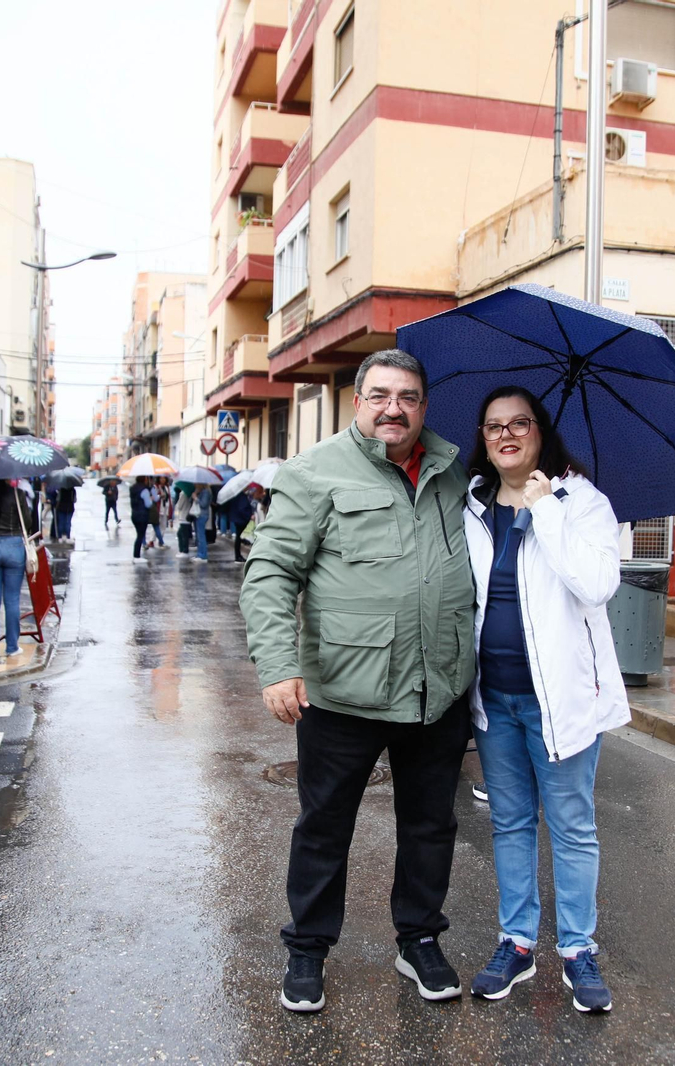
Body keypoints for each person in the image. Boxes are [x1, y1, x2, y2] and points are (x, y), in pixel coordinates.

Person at [240, 349, 476, 1014]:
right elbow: (270, 573)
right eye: (380, 395)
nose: (393, 408)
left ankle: (419, 939)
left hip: (437, 687)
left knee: (430, 825)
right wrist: (278, 665)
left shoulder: (454, 471)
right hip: (343, 690)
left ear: (423, 406)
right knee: (324, 827)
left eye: (407, 397)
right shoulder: (314, 471)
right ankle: (308, 949)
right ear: (357, 402)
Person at [458, 385, 627, 1013]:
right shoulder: (471, 505)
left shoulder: (582, 502)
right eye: (494, 426)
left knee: (572, 826)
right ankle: (517, 942)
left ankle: (578, 950)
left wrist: (546, 508)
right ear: (483, 439)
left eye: (519, 423)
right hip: (494, 698)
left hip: (561, 698)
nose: (506, 435)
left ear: (540, 431)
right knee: (509, 823)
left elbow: (598, 583)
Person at [0, 480, 30, 662]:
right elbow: (27, 522)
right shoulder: (18, 494)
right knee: (12, 600)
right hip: (14, 546)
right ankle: (12, 647)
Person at [224, 485, 257, 563]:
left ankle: (238, 555)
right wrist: (249, 516)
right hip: (241, 520)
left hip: (238, 518)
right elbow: (242, 508)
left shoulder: (238, 495)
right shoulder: (241, 497)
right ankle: (238, 556)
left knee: (238, 538)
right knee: (239, 538)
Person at [129, 476, 154, 561]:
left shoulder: (133, 489)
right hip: (142, 515)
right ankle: (136, 556)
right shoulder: (144, 490)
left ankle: (136, 555)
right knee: (140, 536)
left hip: (134, 514)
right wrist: (151, 499)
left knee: (139, 535)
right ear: (145, 480)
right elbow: (148, 504)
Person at [172, 486, 194, 554]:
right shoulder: (190, 492)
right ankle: (183, 550)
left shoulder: (183, 494)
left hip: (183, 516)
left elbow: (179, 506)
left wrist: (177, 502)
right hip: (188, 515)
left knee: (182, 534)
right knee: (182, 533)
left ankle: (184, 550)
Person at [193, 484, 211, 563]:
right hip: (199, 515)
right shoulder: (202, 491)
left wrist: (196, 498)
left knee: (201, 536)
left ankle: (203, 555)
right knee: (199, 535)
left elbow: (203, 504)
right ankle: (199, 553)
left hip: (202, 515)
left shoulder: (206, 492)